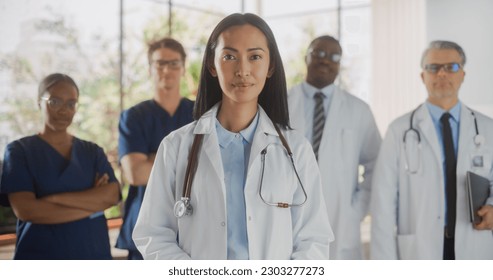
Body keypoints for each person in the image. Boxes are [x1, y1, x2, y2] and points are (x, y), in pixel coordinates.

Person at [132, 13, 333, 260]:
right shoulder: (176, 146)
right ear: (212, 66)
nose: (242, 70)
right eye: (229, 57)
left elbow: (313, 239)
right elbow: (153, 234)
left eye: (255, 57)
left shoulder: (296, 150)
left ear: (270, 67)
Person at [370, 40, 493, 260]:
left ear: (463, 74)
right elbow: (383, 204)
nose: (442, 74)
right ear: (422, 76)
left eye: (451, 67)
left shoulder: (487, 128)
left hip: (474, 245)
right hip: (420, 249)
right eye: (433, 67)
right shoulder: (399, 130)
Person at [0, 73, 120, 259]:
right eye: (54, 101)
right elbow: (26, 210)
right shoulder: (19, 151)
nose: (63, 110)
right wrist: (92, 205)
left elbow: (112, 195)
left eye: (71, 104)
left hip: (93, 254)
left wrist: (52, 198)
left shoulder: (92, 151)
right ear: (39, 102)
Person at [288, 35, 381, 259]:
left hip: (341, 219)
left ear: (340, 64)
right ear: (306, 57)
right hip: (289, 212)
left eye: (334, 56)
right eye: (319, 53)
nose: (325, 60)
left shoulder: (359, 110)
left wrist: (356, 210)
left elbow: (376, 163)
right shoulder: (283, 103)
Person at [116, 37, 194, 260]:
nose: (166, 70)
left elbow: (214, 166)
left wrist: (154, 158)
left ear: (183, 68)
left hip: (192, 224)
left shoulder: (199, 114)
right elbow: (135, 173)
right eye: (160, 63)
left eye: (174, 63)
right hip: (145, 223)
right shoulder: (134, 117)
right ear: (150, 68)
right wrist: (187, 159)